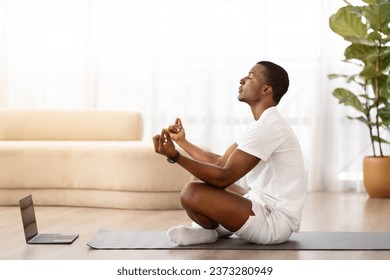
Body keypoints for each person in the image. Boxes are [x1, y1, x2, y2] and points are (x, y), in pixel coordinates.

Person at [152, 61, 307, 246]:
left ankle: (206, 231)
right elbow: (219, 162)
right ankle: (205, 232)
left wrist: (175, 156)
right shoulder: (260, 124)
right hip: (258, 202)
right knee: (198, 179)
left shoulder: (269, 127)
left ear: (266, 89)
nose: (242, 80)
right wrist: (181, 142)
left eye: (250, 77)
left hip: (274, 222)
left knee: (192, 193)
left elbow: (223, 177)